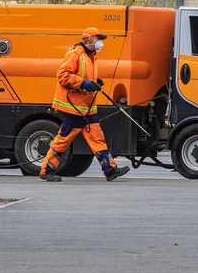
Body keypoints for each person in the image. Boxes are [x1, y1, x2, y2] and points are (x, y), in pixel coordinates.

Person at [39, 27, 130, 182]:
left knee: (97, 139)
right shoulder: (75, 54)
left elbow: (85, 77)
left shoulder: (91, 57)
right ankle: (46, 170)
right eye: (98, 39)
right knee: (63, 140)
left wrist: (95, 83)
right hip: (75, 108)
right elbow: (62, 75)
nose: (100, 42)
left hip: (87, 108)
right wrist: (84, 83)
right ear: (89, 39)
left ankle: (110, 170)